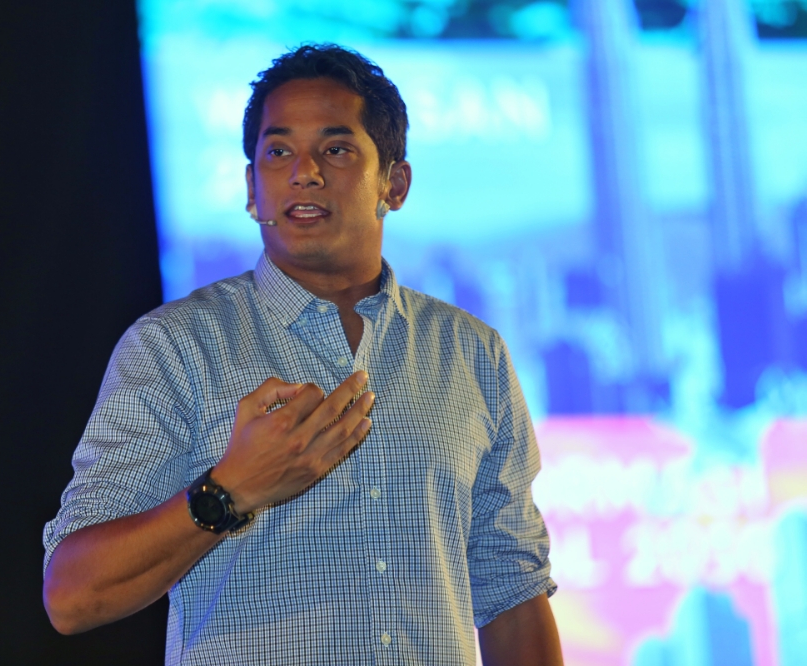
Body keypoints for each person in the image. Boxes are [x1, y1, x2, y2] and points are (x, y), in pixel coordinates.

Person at [43, 43, 562, 665]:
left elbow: (513, 590)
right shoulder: (175, 348)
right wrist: (229, 490)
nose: (304, 172)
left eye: (336, 149)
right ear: (251, 189)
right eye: (278, 151)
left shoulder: (471, 352)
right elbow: (73, 597)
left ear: (393, 183)